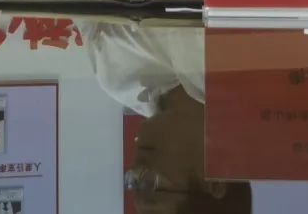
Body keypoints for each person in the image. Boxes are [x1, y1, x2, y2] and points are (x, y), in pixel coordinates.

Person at [84, 19, 252, 213]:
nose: (137, 168)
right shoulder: (245, 70)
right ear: (214, 181)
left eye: (135, 184)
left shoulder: (116, 79)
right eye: (152, 186)